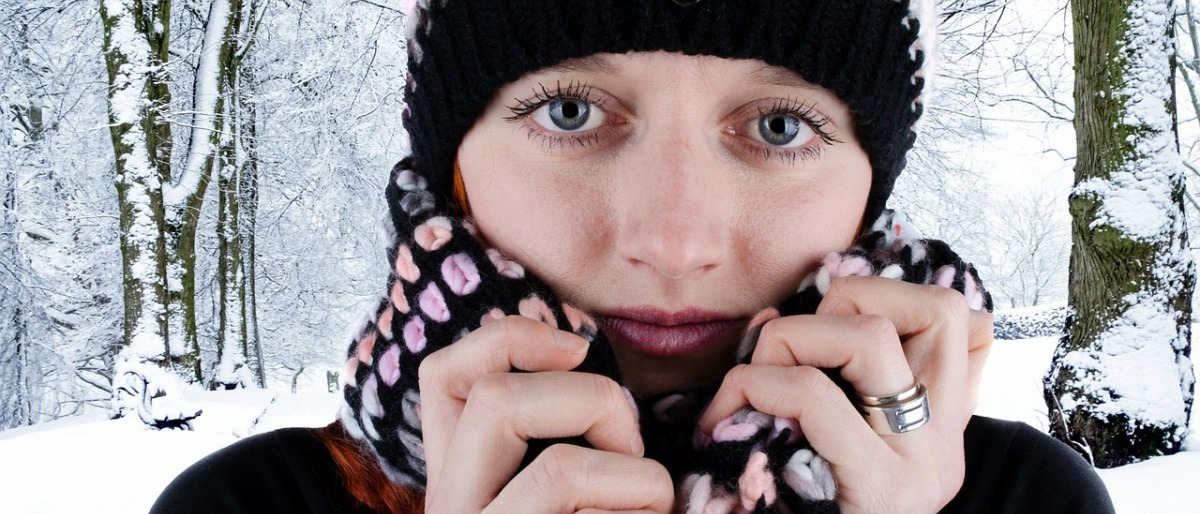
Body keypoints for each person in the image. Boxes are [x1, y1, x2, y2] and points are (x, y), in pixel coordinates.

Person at [152, 1, 1116, 512]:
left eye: (779, 124)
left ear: (870, 183)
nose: (673, 241)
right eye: (571, 112)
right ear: (455, 168)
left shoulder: (1022, 501)